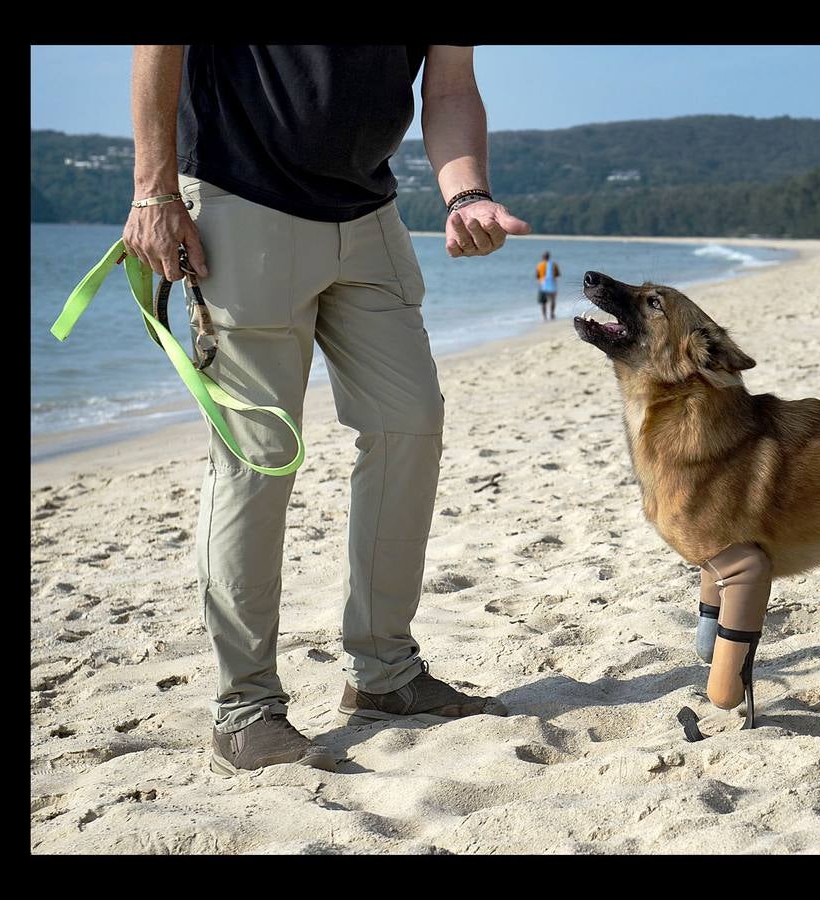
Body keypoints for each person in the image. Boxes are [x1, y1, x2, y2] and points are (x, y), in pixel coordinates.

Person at [121, 45, 531, 775]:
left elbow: (449, 89)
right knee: (259, 457)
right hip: (238, 201)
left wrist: (465, 195)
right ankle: (245, 708)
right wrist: (153, 192)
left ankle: (385, 675)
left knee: (411, 421)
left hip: (369, 212)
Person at [536, 251, 561, 320]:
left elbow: (537, 276)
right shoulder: (554, 264)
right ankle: (552, 314)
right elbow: (557, 275)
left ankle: (544, 317)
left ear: (542, 257)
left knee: (543, 302)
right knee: (552, 301)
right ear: (549, 257)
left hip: (542, 286)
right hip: (552, 285)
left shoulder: (539, 265)